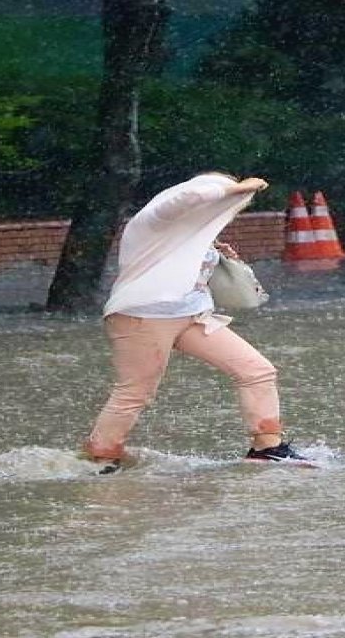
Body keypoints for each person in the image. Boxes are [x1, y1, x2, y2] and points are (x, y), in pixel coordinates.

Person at [83, 172, 309, 475]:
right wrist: (234, 187)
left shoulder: (199, 235)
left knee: (257, 370)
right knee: (135, 391)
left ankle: (266, 448)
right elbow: (188, 198)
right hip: (143, 315)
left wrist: (222, 258)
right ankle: (103, 458)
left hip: (194, 316)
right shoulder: (156, 218)